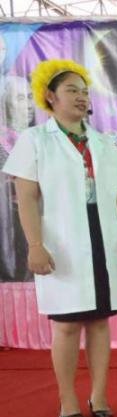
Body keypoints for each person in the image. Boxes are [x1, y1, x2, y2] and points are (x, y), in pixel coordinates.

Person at [1, 59, 117, 417]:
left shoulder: (103, 142)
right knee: (65, 325)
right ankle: (67, 398)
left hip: (101, 237)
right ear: (50, 96)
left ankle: (99, 395)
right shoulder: (35, 140)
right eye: (71, 91)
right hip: (61, 241)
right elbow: (26, 197)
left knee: (99, 323)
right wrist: (35, 244)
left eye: (84, 92)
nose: (81, 97)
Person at [0, 74, 37, 281]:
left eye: (30, 97)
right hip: (10, 230)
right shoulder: (2, 143)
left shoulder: (38, 138)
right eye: (20, 98)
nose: (29, 105)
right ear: (5, 103)